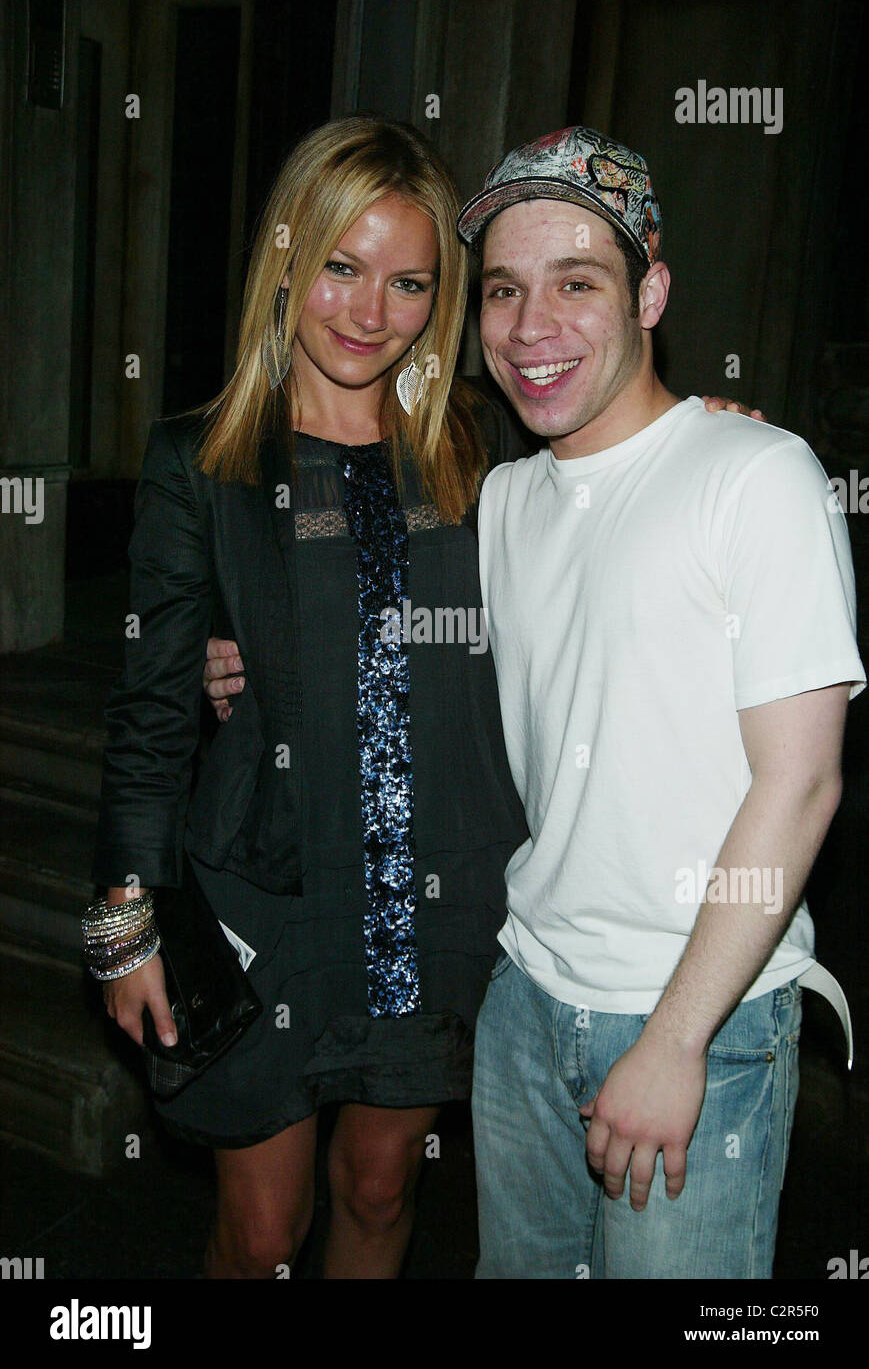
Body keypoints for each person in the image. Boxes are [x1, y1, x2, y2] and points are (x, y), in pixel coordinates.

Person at [89, 115, 531, 1279]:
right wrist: (124, 913)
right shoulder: (204, 459)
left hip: (433, 895)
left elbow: (623, 502)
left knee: (382, 1190)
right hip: (267, 895)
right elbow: (147, 706)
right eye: (340, 265)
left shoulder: (485, 450)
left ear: (440, 299)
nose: (366, 310)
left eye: (406, 282)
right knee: (259, 1234)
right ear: (288, 259)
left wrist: (706, 443)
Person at [453, 125, 865, 1279]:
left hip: (701, 1012)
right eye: (502, 290)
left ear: (651, 293)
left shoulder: (754, 475)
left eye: (575, 283)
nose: (530, 329)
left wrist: (676, 1037)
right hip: (523, 995)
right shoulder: (500, 500)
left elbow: (803, 778)